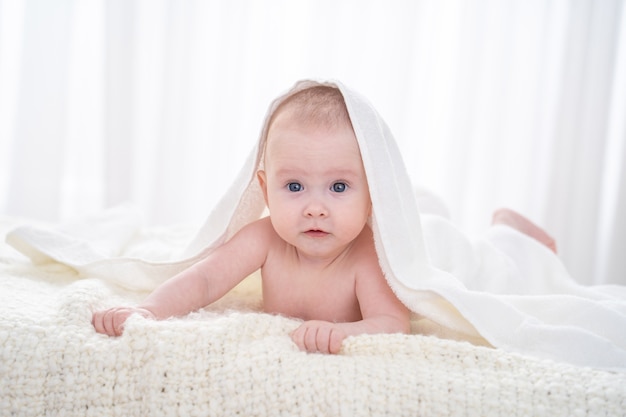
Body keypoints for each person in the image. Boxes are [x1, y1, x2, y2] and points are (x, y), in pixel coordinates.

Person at [92, 84, 557, 354]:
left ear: (373, 195)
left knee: (497, 267)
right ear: (265, 185)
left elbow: (391, 322)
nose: (315, 207)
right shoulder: (265, 238)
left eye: (338, 187)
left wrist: (343, 332)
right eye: (294, 187)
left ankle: (513, 235)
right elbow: (205, 280)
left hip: (435, 246)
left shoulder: (367, 255)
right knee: (431, 211)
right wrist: (148, 310)